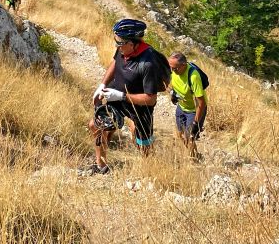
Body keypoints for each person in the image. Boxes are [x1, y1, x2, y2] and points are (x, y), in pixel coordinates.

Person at [87, 19, 162, 174]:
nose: (117, 46)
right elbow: (115, 64)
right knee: (96, 125)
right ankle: (101, 166)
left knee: (143, 146)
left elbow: (151, 99)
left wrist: (122, 96)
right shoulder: (123, 49)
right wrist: (102, 85)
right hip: (117, 99)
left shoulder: (148, 63)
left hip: (140, 108)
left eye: (120, 43)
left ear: (133, 43)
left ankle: (150, 170)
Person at [168, 52, 207, 156]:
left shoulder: (193, 77)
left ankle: (194, 159)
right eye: (171, 68)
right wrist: (173, 94)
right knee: (179, 134)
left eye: (175, 68)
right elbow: (172, 84)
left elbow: (201, 102)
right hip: (181, 106)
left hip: (194, 110)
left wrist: (195, 123)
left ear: (184, 65)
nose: (172, 71)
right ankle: (195, 153)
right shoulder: (174, 71)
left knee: (188, 138)